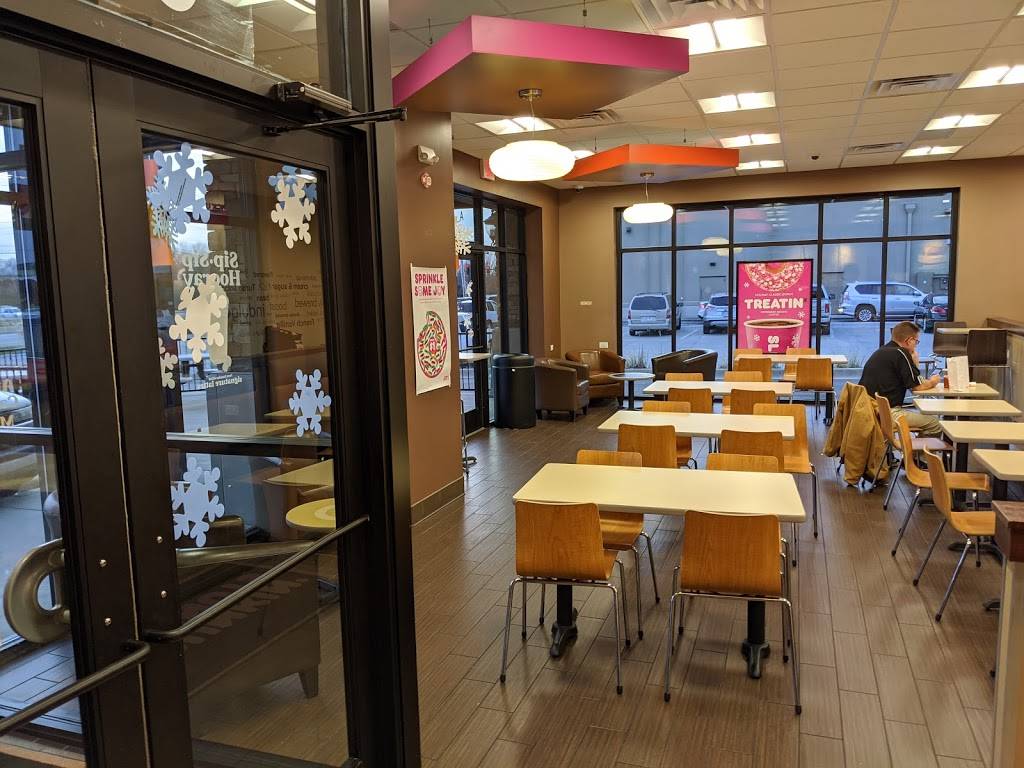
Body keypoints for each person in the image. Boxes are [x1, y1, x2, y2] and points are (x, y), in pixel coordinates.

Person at [858, 320, 942, 437]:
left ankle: (915, 448)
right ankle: (918, 449)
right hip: (888, 413)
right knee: (935, 423)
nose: (916, 345)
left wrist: (913, 364)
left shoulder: (882, 350)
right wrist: (933, 381)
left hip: (870, 411)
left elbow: (912, 381)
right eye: (916, 341)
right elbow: (917, 387)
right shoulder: (901, 353)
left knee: (925, 419)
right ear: (909, 340)